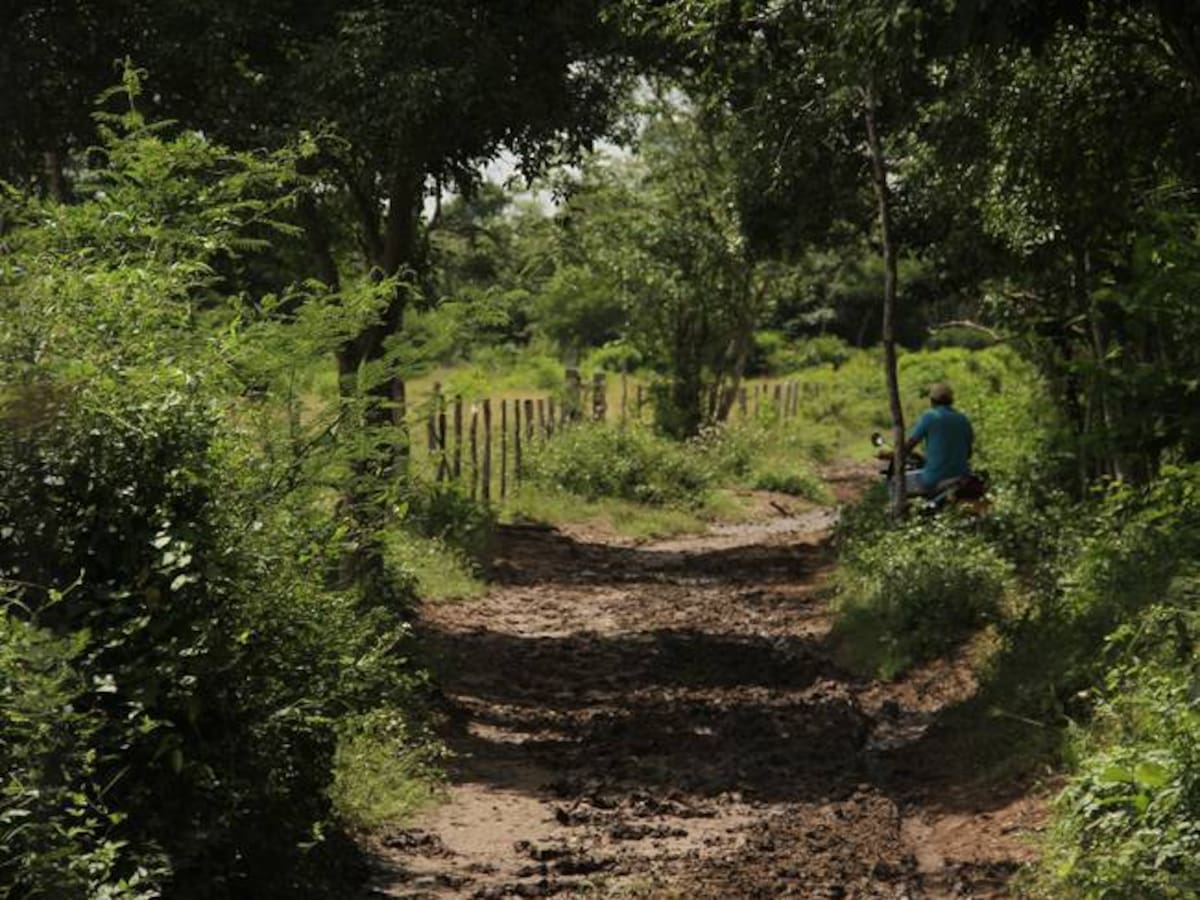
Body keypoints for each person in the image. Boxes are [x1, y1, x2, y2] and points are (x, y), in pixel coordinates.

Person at [904, 383, 974, 497]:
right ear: (951, 401)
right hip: (961, 477)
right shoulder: (963, 419)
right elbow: (969, 453)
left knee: (901, 483)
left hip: (934, 479)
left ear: (932, 400)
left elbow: (911, 443)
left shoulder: (930, 417)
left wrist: (898, 454)